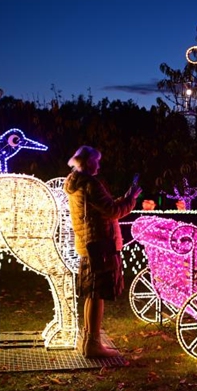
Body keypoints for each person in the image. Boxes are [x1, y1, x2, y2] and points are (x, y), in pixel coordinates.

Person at [64, 146, 141, 358]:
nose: (99, 164)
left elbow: (103, 208)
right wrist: (131, 198)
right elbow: (113, 211)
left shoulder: (75, 183)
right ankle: (93, 344)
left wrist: (123, 198)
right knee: (97, 294)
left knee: (92, 294)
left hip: (88, 243)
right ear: (88, 162)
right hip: (100, 243)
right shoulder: (91, 184)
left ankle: (90, 340)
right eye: (96, 160)